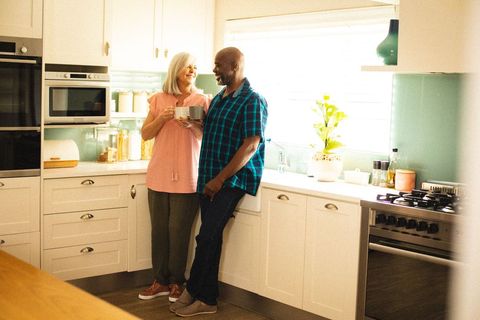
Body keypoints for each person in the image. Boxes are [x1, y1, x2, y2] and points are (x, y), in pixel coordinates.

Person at [170, 47, 268, 317]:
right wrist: (193, 125)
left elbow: (251, 145)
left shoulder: (252, 100)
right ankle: (203, 297)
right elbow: (210, 132)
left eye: (218, 66)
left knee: (207, 236)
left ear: (234, 66)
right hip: (209, 176)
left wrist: (220, 179)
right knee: (208, 239)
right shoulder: (221, 99)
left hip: (231, 181)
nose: (213, 70)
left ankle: (198, 293)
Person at [138, 52, 210, 303]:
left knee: (179, 231)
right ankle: (159, 281)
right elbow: (146, 134)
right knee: (158, 230)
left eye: (194, 66)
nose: (192, 70)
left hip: (189, 175)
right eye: (187, 66)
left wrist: (192, 125)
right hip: (158, 174)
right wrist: (162, 117)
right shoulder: (158, 99)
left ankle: (177, 283)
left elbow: (205, 136)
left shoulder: (202, 100)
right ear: (176, 69)